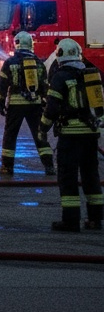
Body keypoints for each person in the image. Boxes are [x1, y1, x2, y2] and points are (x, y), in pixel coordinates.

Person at [37, 38, 103, 232]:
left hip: (70, 134)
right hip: (91, 133)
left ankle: (71, 221)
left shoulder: (60, 76)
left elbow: (51, 109)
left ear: (59, 55)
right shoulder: (92, 74)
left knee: (68, 177)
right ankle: (95, 219)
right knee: (91, 175)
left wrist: (42, 129)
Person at [0, 31, 54, 176]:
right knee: (39, 134)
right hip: (35, 104)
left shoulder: (10, 62)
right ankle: (49, 166)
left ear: (17, 43)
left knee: (10, 135)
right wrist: (44, 103)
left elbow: (3, 85)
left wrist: (1, 103)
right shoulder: (39, 63)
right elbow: (44, 86)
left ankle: (7, 167)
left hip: (15, 105)